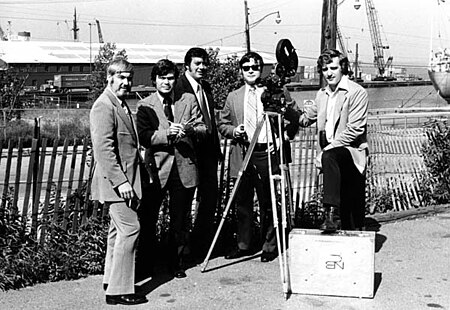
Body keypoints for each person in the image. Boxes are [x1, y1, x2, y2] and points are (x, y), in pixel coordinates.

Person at [218, 51, 295, 262]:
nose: (250, 71)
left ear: (261, 69)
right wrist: (235, 131)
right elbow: (222, 124)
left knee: (268, 200)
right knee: (242, 201)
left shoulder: (274, 91)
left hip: (267, 150)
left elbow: (293, 116)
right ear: (241, 71)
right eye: (246, 68)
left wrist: (283, 137)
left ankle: (270, 245)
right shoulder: (233, 96)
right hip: (243, 152)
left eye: (254, 67)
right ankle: (244, 245)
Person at [284, 48, 368, 232]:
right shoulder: (322, 94)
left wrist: (326, 150)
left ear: (342, 68)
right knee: (347, 209)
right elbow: (305, 119)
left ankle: (330, 214)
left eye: (333, 68)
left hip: (351, 153)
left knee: (353, 215)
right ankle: (333, 217)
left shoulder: (356, 92)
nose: (329, 73)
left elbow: (355, 130)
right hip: (331, 156)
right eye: (324, 69)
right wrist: (285, 107)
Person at [136, 59, 206, 279]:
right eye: (162, 78)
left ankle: (175, 263)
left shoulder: (188, 99)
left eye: (170, 78)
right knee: (148, 219)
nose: (166, 82)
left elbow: (203, 127)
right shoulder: (145, 105)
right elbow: (144, 137)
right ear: (154, 80)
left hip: (183, 168)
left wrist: (189, 131)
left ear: (176, 80)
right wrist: (167, 134)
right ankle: (145, 264)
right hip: (156, 170)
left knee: (179, 220)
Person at [90, 58, 147, 305]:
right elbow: (103, 149)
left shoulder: (120, 104)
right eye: (121, 77)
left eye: (129, 77)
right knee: (130, 229)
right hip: (117, 184)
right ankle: (119, 291)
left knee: (117, 232)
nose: (126, 82)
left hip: (126, 180)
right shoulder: (104, 106)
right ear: (109, 78)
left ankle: (111, 279)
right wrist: (121, 182)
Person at [173, 47, 222, 260]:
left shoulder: (206, 87)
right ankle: (181, 251)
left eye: (204, 64)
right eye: (197, 64)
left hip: (208, 154)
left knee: (208, 200)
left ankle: (202, 247)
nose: (202, 68)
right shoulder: (178, 88)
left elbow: (211, 122)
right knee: (184, 203)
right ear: (187, 66)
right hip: (188, 155)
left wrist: (216, 149)